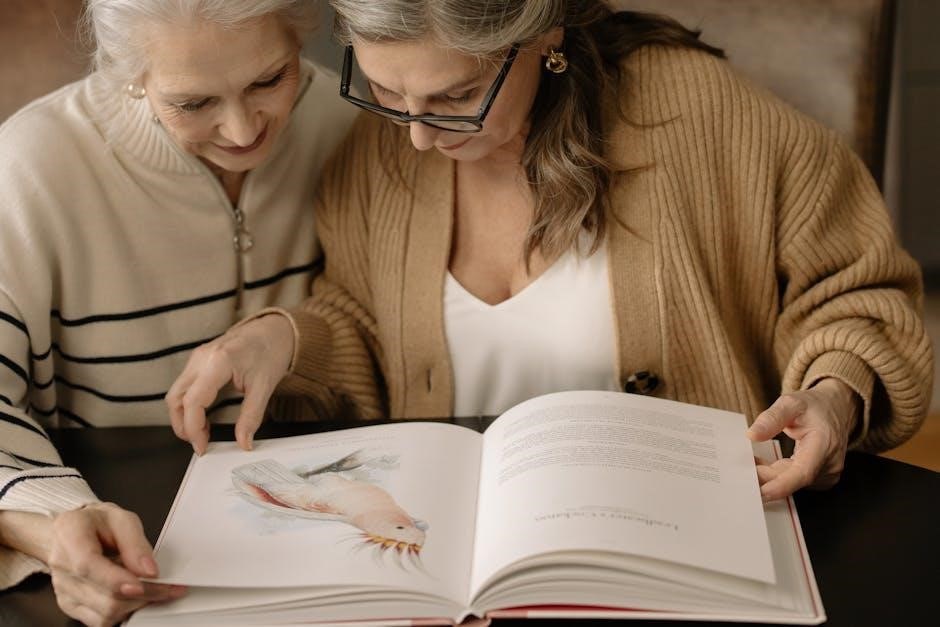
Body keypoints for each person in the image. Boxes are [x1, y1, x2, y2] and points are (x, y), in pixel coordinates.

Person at [169, 0, 933, 516]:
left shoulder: (710, 118)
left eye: (456, 96)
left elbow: (857, 294)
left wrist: (833, 395)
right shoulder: (377, 156)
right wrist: (283, 338)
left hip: (695, 533)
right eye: (385, 90)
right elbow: (365, 320)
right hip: (450, 549)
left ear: (542, 36)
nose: (417, 136)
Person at [0, 0, 357, 624]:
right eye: (193, 103)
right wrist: (56, 527)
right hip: (127, 550)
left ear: (302, 34)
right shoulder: (31, 166)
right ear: (127, 72)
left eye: (270, 80)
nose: (243, 132)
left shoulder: (350, 123)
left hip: (333, 546)